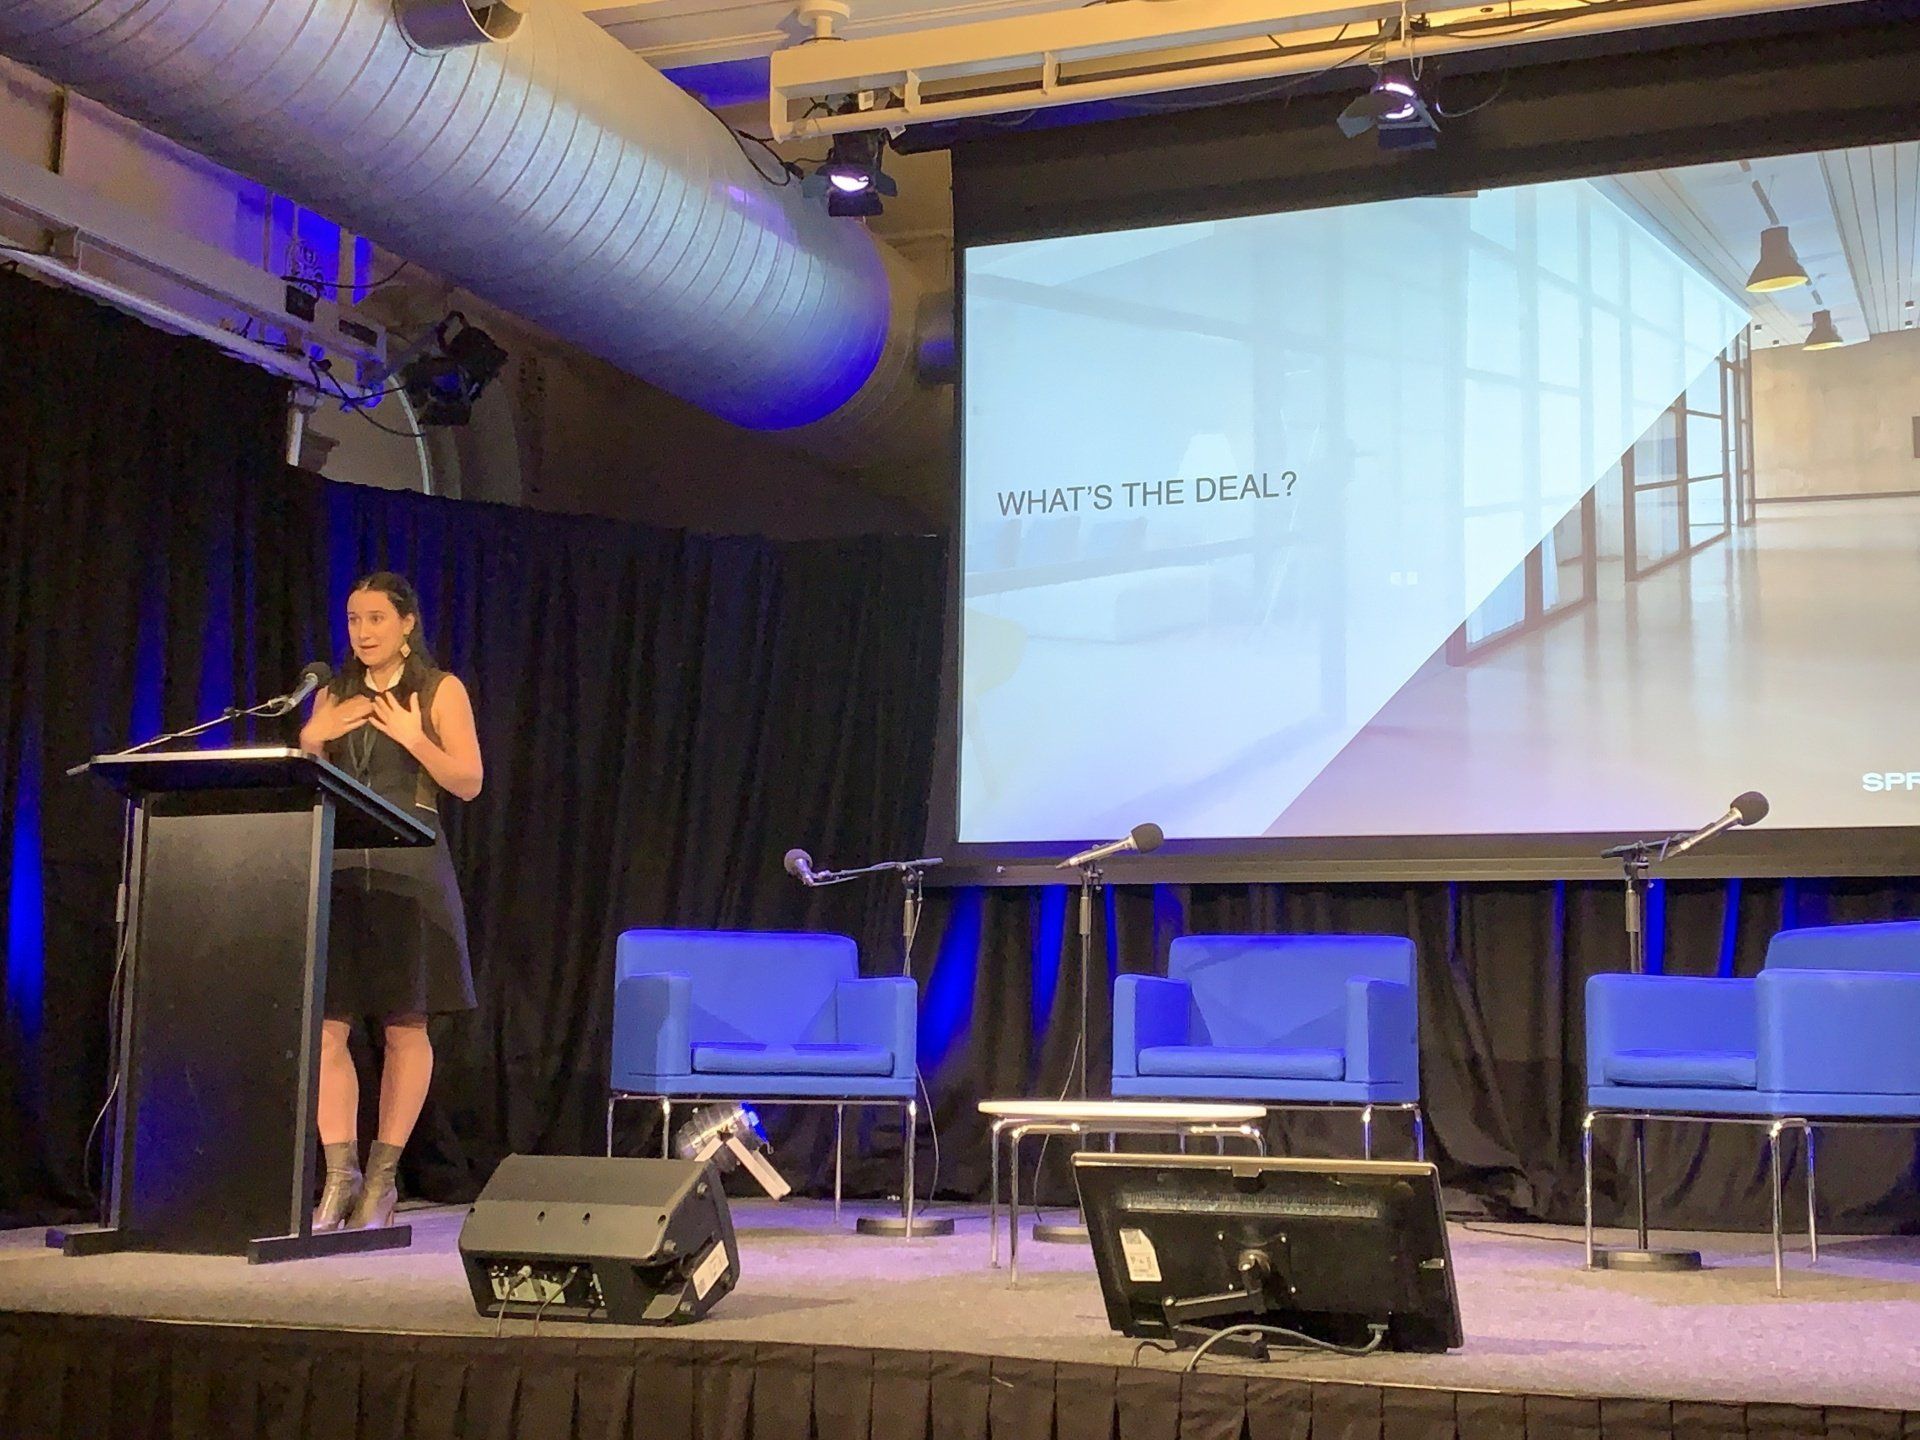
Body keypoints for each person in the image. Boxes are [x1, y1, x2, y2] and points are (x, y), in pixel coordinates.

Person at [298, 571, 483, 1229]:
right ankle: (339, 1177)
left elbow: (468, 781)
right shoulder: (334, 693)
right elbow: (308, 774)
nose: (363, 631)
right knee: (327, 1027)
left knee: (406, 1023)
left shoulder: (439, 689)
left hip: (411, 869)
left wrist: (414, 737)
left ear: (407, 623)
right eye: (354, 619)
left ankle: (381, 1181)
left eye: (376, 618)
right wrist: (313, 739)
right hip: (343, 867)